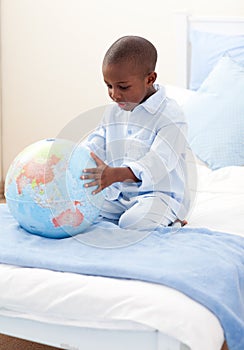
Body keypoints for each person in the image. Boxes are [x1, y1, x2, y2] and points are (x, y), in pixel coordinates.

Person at [81, 35, 189, 230]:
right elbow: (96, 143)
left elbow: (159, 164)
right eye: (109, 85)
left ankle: (174, 222)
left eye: (123, 87)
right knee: (82, 209)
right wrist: (72, 158)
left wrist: (117, 174)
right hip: (119, 194)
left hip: (160, 195)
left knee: (132, 223)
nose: (114, 94)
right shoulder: (114, 111)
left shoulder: (171, 116)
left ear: (150, 79)